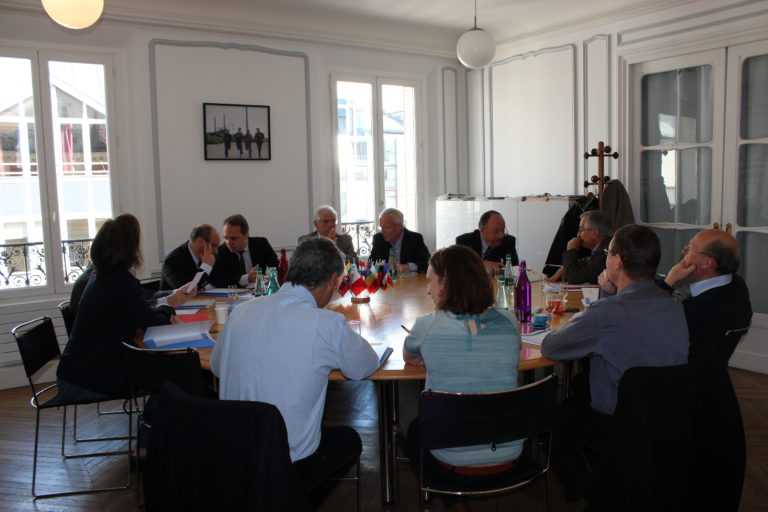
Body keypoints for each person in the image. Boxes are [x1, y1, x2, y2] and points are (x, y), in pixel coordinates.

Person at [211, 237, 379, 499]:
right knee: (350, 440)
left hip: (234, 457)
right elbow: (363, 367)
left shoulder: (242, 312)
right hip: (290, 464)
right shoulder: (325, 323)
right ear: (332, 280)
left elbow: (217, 366)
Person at [541, 224, 688, 501]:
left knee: (545, 416)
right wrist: (610, 293)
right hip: (666, 416)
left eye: (608, 253)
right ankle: (610, 475)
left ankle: (590, 494)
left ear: (617, 262)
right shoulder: (675, 306)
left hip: (618, 421)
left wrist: (605, 295)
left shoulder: (605, 313)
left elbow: (552, 347)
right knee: (581, 385)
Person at [403, 245, 522, 512]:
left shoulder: (426, 325)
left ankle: (454, 501)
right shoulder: (510, 321)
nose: (428, 290)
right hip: (509, 449)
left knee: (414, 429)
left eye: (431, 281)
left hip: (452, 457)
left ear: (447, 285)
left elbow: (410, 357)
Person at [57, 214, 196, 400]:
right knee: (180, 375)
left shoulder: (101, 275)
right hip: (90, 377)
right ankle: (154, 419)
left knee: (172, 373)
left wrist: (161, 308)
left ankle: (158, 417)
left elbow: (139, 309)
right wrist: (167, 309)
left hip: (78, 370)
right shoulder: (118, 281)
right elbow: (153, 324)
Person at [663, 229, 752, 363]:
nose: (683, 251)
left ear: (707, 263)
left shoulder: (693, 309)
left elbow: (646, 319)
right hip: (714, 370)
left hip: (682, 370)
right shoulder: (737, 284)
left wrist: (669, 281)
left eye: (689, 248)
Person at [210, 214, 278, 288]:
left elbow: (276, 267)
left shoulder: (261, 244)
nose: (228, 243)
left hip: (260, 291)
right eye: (226, 238)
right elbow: (218, 280)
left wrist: (271, 278)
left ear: (246, 235)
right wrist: (247, 278)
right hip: (235, 293)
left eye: (233, 238)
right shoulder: (221, 251)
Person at [548, 210, 612, 284]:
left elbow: (573, 278)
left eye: (581, 230)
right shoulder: (602, 248)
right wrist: (565, 268)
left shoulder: (606, 253)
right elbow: (587, 261)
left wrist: (571, 250)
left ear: (595, 233)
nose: (578, 235)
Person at [159, 224, 220, 291]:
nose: (216, 251)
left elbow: (221, 279)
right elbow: (188, 291)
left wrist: (204, 287)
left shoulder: (211, 256)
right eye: (214, 246)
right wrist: (206, 266)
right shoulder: (173, 260)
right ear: (200, 241)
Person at [369, 208, 430, 273]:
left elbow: (427, 263)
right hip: (388, 279)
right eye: (381, 227)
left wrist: (408, 267)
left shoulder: (415, 239)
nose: (382, 231)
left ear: (399, 227)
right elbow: (371, 265)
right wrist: (387, 267)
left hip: (411, 279)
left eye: (386, 227)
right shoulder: (379, 239)